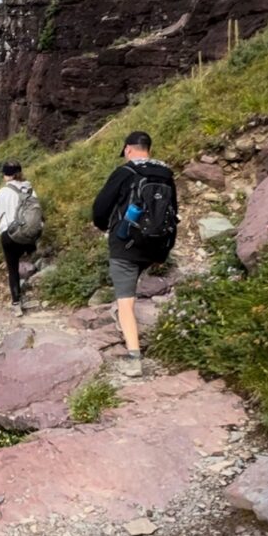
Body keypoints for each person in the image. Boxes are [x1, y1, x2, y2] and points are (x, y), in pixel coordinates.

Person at [92, 130, 178, 377]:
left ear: (128, 149)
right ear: (148, 148)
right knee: (134, 288)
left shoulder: (125, 172)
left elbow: (100, 208)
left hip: (126, 243)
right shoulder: (166, 174)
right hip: (157, 244)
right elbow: (174, 210)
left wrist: (103, 226)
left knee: (126, 301)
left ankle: (134, 357)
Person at [0, 160, 43, 315]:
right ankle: (32, 271)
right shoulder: (29, 189)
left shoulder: (3, 192)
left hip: (11, 235)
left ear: (6, 175)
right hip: (30, 234)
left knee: (12, 268)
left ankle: (16, 302)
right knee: (25, 254)